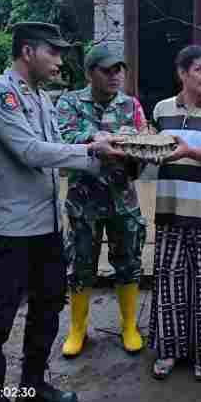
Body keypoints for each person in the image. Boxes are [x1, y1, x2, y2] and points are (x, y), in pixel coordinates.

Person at [0, 22, 125, 402]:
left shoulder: (41, 99)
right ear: (27, 51)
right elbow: (31, 152)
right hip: (9, 231)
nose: (60, 60)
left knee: (47, 307)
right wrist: (92, 149)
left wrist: (109, 152)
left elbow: (62, 155)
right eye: (52, 52)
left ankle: (33, 384)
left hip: (45, 229)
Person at [147, 45, 201, 382]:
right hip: (169, 207)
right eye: (200, 70)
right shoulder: (161, 109)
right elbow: (153, 149)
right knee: (168, 281)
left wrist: (187, 151)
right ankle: (169, 351)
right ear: (182, 73)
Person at [56, 44, 148, 356]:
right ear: (89, 73)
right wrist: (99, 143)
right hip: (84, 202)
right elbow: (64, 141)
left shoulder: (131, 106)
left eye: (118, 70)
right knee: (81, 264)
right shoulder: (70, 102)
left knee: (128, 262)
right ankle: (77, 329)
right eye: (106, 70)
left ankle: (129, 326)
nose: (115, 76)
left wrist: (115, 148)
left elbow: (144, 147)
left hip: (123, 200)